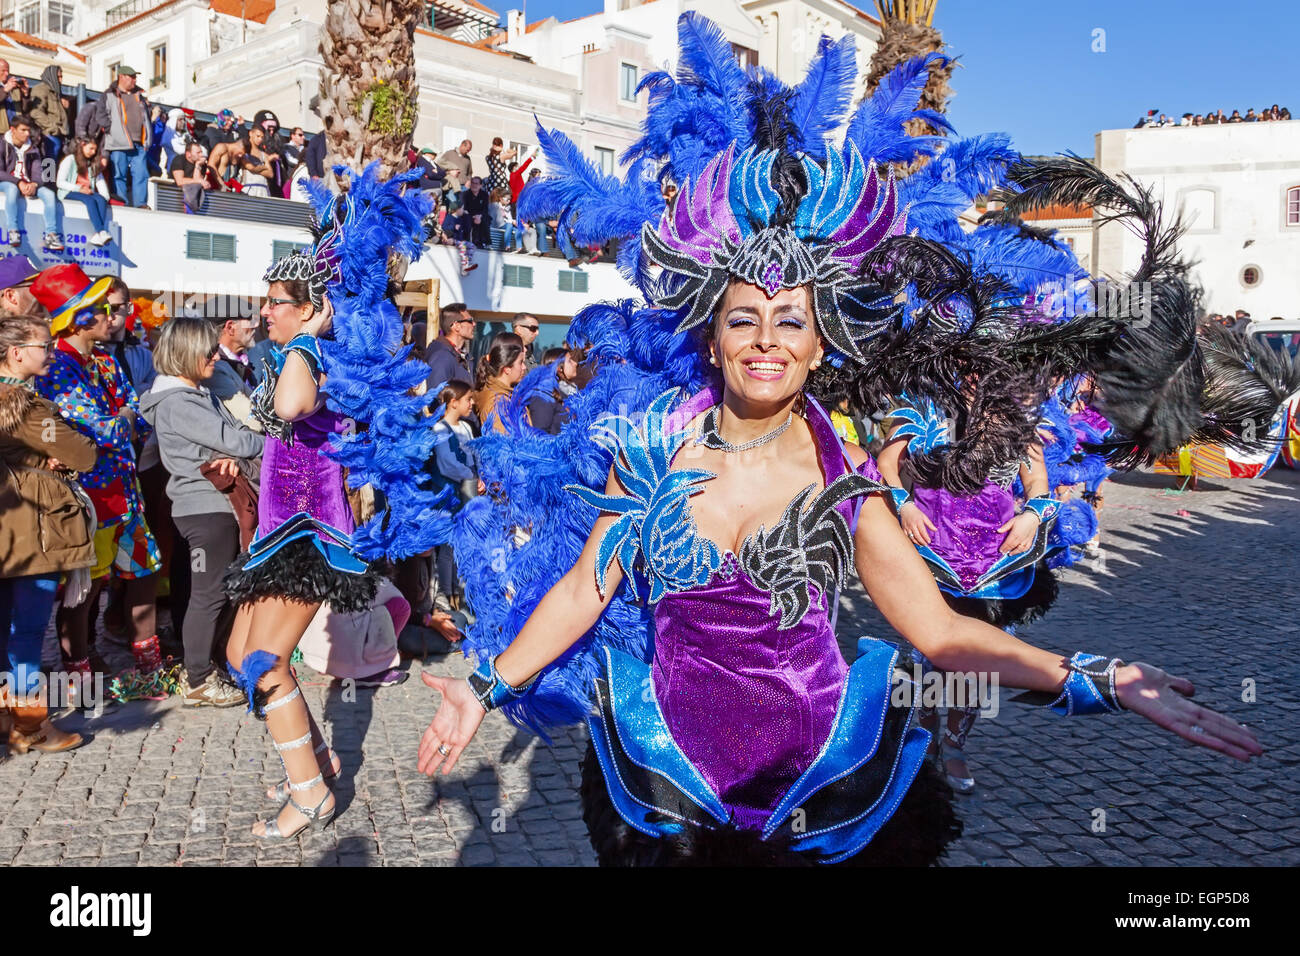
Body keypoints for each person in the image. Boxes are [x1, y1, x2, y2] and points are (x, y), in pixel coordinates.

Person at [417, 17, 1267, 867]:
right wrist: (482, 690)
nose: (765, 339)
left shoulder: (844, 481)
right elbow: (583, 591)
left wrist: (1093, 677)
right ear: (711, 337)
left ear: (821, 345)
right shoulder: (650, 452)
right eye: (743, 318)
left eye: (791, 321)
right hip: (669, 782)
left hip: (823, 784)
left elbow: (939, 635)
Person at [221, 166, 449, 839]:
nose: (266, 311)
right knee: (241, 656)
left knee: (264, 664)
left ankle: (312, 793)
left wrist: (303, 335)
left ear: (311, 305)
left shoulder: (317, 354)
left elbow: (292, 405)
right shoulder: (298, 350)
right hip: (275, 528)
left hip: (309, 531)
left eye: (278, 301)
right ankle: (312, 757)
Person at [32, 265, 163, 694]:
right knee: (85, 589)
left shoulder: (106, 358)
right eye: (103, 308)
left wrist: (122, 419)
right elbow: (101, 428)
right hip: (89, 498)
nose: (112, 316)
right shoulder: (57, 368)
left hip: (127, 489)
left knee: (144, 571)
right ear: (80, 318)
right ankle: (78, 669)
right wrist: (123, 419)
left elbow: (135, 415)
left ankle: (149, 660)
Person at [140, 316, 262, 706]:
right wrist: (243, 447)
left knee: (223, 592)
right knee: (208, 594)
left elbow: (235, 441)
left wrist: (235, 449)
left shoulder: (198, 395)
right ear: (185, 354)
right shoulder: (178, 402)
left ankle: (210, 666)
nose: (215, 356)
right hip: (204, 507)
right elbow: (238, 439)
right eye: (207, 350)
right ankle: (198, 678)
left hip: (216, 503)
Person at [0, 312, 95, 752]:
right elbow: (82, 452)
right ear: (17, 353)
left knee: (6, 626)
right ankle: (31, 726)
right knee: (27, 629)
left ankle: (7, 719)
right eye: (44, 345)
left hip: (9, 527)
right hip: (30, 531)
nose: (52, 352)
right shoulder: (27, 407)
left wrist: (36, 459)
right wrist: (49, 454)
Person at [429, 380, 482, 610]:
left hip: (466, 492)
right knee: (448, 546)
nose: (472, 403)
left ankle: (461, 591)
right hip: (448, 494)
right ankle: (445, 594)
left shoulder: (467, 428)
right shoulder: (440, 429)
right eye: (468, 399)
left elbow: (473, 454)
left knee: (463, 543)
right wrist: (469, 475)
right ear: (453, 403)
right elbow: (446, 463)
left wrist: (479, 475)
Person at [0, 114, 65, 251]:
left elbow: (39, 173)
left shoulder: (33, 148)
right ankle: (13, 231)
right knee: (12, 190)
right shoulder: (2, 144)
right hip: (7, 181)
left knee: (48, 194)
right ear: (13, 129)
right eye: (23, 130)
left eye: (28, 130)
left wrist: (34, 184)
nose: (27, 134)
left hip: (28, 183)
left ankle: (51, 235)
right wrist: (18, 182)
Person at [100, 67, 152, 207]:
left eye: (135, 77)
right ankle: (121, 202)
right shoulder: (109, 94)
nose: (134, 80)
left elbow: (146, 116)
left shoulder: (140, 95)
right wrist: (112, 130)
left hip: (139, 143)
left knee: (141, 174)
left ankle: (141, 203)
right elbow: (101, 114)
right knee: (119, 174)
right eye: (131, 77)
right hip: (118, 143)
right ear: (121, 76)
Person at [56, 137, 113, 245]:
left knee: (101, 199)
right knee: (90, 201)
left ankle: (98, 235)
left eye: (95, 150)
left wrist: (105, 197)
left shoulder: (92, 164)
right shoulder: (70, 160)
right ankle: (101, 231)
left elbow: (100, 182)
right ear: (82, 145)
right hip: (69, 191)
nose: (93, 152)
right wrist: (79, 188)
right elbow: (60, 182)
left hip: (87, 192)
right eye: (91, 148)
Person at [473, 331, 527, 434]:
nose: (524, 367)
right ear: (507, 369)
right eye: (520, 362)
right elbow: (503, 445)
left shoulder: (505, 394)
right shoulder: (499, 403)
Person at [525, 345, 579, 435]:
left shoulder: (567, 393)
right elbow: (540, 434)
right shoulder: (543, 396)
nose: (575, 363)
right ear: (559, 368)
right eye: (570, 361)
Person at [424, 302, 476, 392]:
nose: (474, 324)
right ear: (456, 326)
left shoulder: (462, 355)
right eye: (470, 320)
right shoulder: (441, 357)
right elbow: (437, 397)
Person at [28, 65, 69, 160]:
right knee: (49, 164)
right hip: (49, 134)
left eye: (61, 77)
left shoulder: (56, 92)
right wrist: (53, 127)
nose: (60, 80)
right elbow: (35, 112)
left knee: (56, 165)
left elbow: (58, 115)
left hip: (60, 134)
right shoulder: (41, 89)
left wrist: (66, 108)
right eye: (58, 76)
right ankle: (48, 176)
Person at [168, 138, 213, 212]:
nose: (201, 155)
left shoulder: (201, 164)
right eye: (198, 153)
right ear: (188, 154)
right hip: (176, 194)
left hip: (192, 194)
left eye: (201, 152)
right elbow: (179, 181)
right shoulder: (179, 160)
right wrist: (199, 181)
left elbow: (197, 182)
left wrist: (198, 165)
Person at [239, 125, 278, 198]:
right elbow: (250, 167)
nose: (260, 139)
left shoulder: (263, 154)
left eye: (262, 137)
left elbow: (270, 174)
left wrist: (256, 169)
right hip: (249, 189)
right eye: (258, 136)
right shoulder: (244, 151)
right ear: (251, 133)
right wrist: (264, 167)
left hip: (263, 190)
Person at [0, 60, 30, 136]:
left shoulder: (14, 88)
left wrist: (25, 94)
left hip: (14, 132)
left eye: (7, 71)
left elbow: (24, 110)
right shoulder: (8, 87)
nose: (6, 74)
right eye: (3, 70)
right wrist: (5, 90)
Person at [459, 175, 490, 248]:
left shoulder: (484, 195)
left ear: (480, 185)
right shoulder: (465, 194)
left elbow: (485, 208)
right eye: (472, 183)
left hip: (479, 215)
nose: (474, 185)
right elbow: (463, 208)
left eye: (476, 183)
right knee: (467, 220)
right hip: (468, 214)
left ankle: (483, 242)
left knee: (486, 219)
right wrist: (473, 216)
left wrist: (480, 216)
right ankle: (467, 241)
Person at [489, 187, 520, 251]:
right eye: (507, 199)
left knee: (518, 229)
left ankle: (519, 247)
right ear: (501, 199)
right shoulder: (496, 206)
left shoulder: (508, 207)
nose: (509, 201)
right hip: (499, 224)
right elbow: (497, 219)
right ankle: (507, 245)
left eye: (510, 200)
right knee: (509, 225)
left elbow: (509, 217)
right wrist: (511, 222)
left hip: (506, 224)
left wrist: (513, 221)